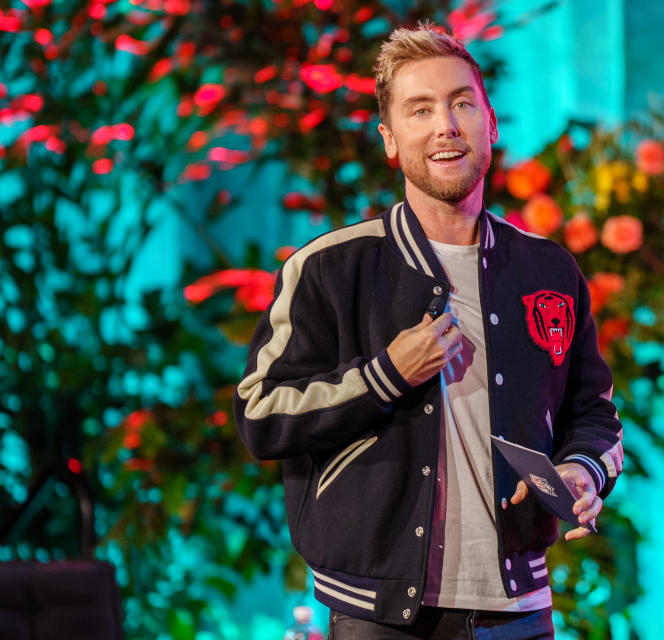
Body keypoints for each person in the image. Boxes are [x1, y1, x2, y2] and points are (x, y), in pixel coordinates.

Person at [234, 23, 623, 640]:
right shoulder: (332, 267)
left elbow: (596, 414)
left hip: (520, 609)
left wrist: (581, 471)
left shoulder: (548, 269)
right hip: (378, 616)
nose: (446, 125)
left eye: (462, 104)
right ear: (390, 140)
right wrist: (386, 375)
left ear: (490, 126)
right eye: (420, 110)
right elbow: (260, 414)